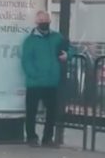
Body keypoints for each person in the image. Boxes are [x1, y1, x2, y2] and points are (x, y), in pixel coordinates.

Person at [21, 10, 69, 147]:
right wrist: (34, 74)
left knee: (51, 112)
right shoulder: (30, 41)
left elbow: (69, 48)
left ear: (50, 21)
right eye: (41, 21)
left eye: (46, 21)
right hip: (35, 83)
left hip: (51, 82)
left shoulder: (57, 37)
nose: (44, 23)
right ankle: (31, 137)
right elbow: (26, 61)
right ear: (36, 22)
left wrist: (67, 55)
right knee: (31, 111)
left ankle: (47, 138)